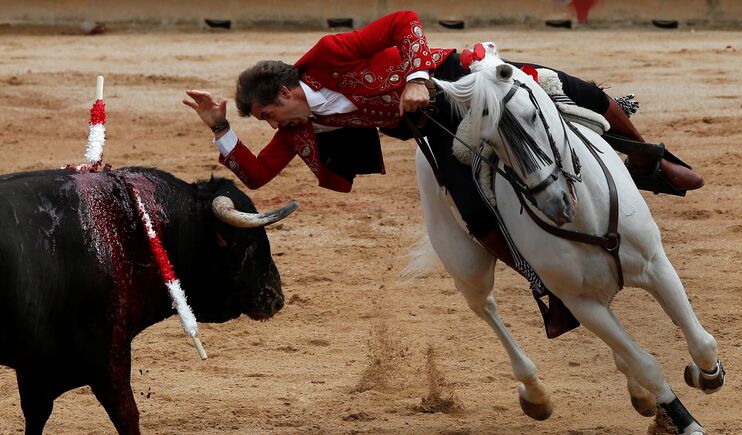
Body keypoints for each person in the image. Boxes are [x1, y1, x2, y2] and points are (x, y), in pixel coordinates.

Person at [183, 10, 703, 337]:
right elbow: (254, 175)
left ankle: (647, 161)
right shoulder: (301, 129)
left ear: (286, 93)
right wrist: (221, 127)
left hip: (453, 78)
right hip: (430, 126)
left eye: (271, 116)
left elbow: (403, 19)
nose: (275, 127)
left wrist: (414, 76)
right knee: (475, 215)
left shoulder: (324, 58)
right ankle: (550, 289)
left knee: (583, 95)